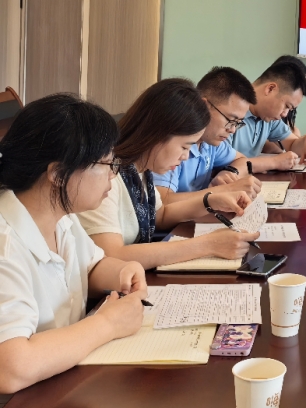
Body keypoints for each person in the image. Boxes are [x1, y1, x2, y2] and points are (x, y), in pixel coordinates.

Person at [0, 94, 146, 395]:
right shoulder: (5, 244)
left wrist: (122, 271)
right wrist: (108, 324)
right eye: (106, 163)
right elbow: (11, 368)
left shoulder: (61, 216)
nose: (113, 174)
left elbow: (88, 266)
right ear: (57, 174)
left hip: (61, 381)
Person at [77, 79, 260, 270]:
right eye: (185, 146)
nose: (185, 156)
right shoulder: (105, 175)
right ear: (157, 133)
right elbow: (112, 256)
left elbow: (160, 214)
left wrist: (210, 201)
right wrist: (209, 245)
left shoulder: (139, 169)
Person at [153, 66, 262, 203]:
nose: (233, 130)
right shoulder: (173, 142)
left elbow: (243, 160)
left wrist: (229, 173)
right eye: (231, 120)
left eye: (238, 123)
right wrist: (224, 190)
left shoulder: (209, 142)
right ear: (204, 106)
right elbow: (161, 202)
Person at [227, 56, 306, 168]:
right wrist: (273, 162)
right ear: (270, 89)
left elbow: (292, 144)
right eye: (286, 106)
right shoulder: (229, 109)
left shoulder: (267, 117)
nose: (285, 114)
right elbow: (222, 161)